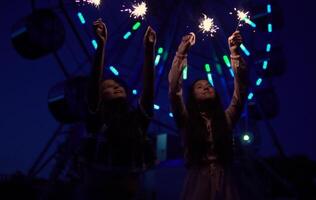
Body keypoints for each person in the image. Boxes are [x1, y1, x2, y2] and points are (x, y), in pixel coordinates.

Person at [78, 18, 156, 200]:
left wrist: (149, 50)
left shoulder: (137, 120)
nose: (116, 87)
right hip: (99, 188)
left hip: (131, 188)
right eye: (107, 87)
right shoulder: (96, 117)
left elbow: (149, 89)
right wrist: (101, 45)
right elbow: (93, 81)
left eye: (118, 85)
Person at [168, 31, 248, 200]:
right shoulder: (185, 120)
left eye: (208, 86)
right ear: (192, 97)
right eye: (199, 87)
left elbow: (240, 93)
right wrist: (182, 51)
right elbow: (174, 91)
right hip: (198, 180)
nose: (205, 87)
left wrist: (235, 53)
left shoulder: (226, 118)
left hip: (226, 179)